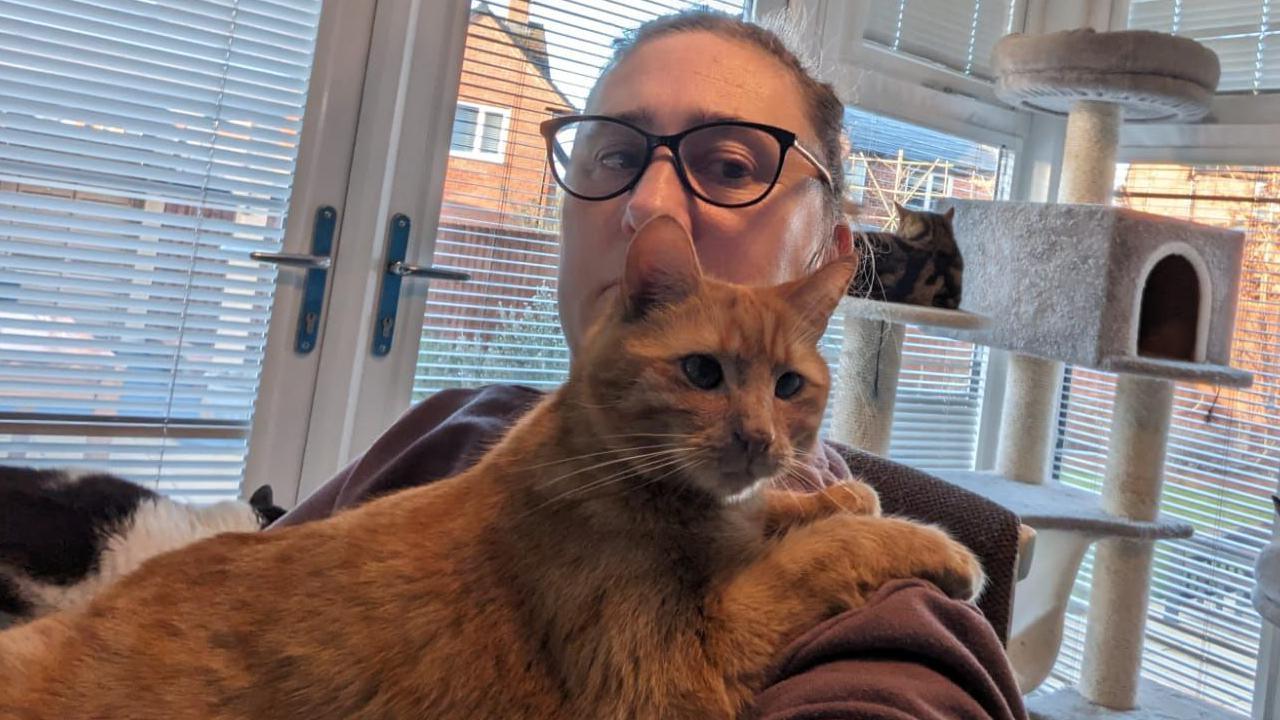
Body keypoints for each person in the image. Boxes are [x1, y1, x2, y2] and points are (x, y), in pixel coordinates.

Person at [276, 10, 1027, 719]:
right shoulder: (450, 420)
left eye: (731, 166)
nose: (647, 204)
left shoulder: (888, 619)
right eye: (615, 155)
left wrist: (834, 551)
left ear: (826, 261)